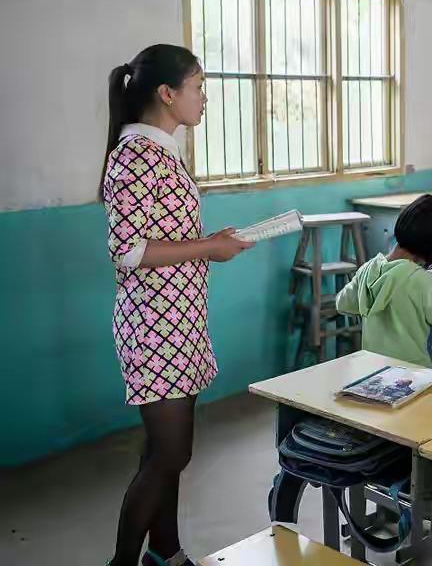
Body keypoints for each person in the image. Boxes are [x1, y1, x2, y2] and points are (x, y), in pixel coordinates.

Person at [101, 45, 253, 566]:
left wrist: (210, 242)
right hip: (154, 327)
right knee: (171, 453)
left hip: (178, 321)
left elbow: (164, 235)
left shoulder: (161, 151)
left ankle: (166, 553)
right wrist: (209, 247)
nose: (204, 98)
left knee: (162, 452)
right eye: (198, 87)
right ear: (167, 94)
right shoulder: (135, 155)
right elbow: (128, 250)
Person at [336, 194, 432, 370]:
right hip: (419, 380)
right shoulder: (424, 284)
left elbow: (343, 303)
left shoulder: (368, 270)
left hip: (378, 376)